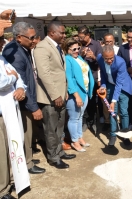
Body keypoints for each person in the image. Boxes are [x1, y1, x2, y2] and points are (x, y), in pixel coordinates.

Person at [2, 22, 46, 174]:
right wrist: (33, 107)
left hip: (26, 99)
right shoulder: (14, 53)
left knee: (28, 134)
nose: (34, 40)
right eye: (32, 37)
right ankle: (27, 163)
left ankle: (28, 158)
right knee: (25, 135)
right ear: (19, 37)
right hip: (22, 103)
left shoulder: (22, 48)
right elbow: (20, 81)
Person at [34, 21, 76, 169]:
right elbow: (44, 74)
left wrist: (63, 93)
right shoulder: (42, 47)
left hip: (60, 95)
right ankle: (53, 157)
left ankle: (59, 151)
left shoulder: (57, 47)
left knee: (59, 126)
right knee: (51, 129)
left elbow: (59, 72)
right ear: (52, 33)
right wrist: (55, 95)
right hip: (50, 98)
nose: (65, 35)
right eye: (62, 33)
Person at [0, 9, 27, 199]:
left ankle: (12, 180)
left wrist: (20, 87)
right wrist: (12, 79)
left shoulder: (1, 58)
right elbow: (2, 82)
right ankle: (2, 189)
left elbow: (18, 79)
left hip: (9, 109)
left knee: (12, 147)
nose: (3, 42)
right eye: (1, 39)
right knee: (2, 152)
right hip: (1, 113)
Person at [97, 45, 132, 146]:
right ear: (102, 56)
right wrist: (103, 86)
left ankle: (125, 134)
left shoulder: (120, 62)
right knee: (112, 111)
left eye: (111, 58)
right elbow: (104, 74)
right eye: (107, 59)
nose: (109, 61)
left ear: (114, 55)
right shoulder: (99, 58)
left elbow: (119, 84)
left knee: (123, 111)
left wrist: (113, 101)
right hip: (110, 85)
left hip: (123, 86)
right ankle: (113, 134)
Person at [63, 38, 94, 152]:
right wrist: (76, 96)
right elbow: (69, 79)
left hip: (84, 91)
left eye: (78, 48)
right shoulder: (68, 59)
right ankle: (74, 141)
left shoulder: (79, 57)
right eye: (74, 49)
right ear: (67, 49)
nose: (77, 51)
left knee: (80, 116)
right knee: (74, 118)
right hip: (75, 94)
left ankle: (80, 137)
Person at [77, 25, 105, 133]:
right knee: (83, 101)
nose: (80, 39)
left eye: (82, 37)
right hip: (81, 79)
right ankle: (84, 122)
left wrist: (94, 57)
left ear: (88, 35)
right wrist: (81, 55)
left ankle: (92, 122)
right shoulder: (78, 46)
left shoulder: (97, 45)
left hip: (92, 78)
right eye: (79, 37)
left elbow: (102, 62)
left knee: (93, 101)